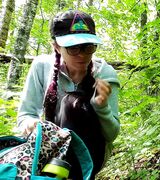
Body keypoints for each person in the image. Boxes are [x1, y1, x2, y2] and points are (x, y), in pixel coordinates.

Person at [16, 9, 120, 179]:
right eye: (73, 48)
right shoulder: (41, 66)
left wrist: (101, 107)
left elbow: (112, 134)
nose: (82, 55)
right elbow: (25, 116)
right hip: (49, 149)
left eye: (88, 47)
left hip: (91, 154)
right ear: (56, 47)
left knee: (71, 105)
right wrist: (31, 124)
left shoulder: (105, 74)